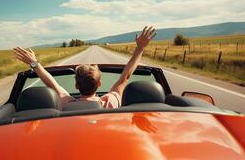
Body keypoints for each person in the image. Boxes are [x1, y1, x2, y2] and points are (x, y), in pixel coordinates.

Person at [13, 26, 156, 109]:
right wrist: (140, 48)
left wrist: (34, 63)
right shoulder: (109, 102)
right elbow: (125, 77)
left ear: (76, 85)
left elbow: (50, 82)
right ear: (99, 84)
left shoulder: (66, 103)